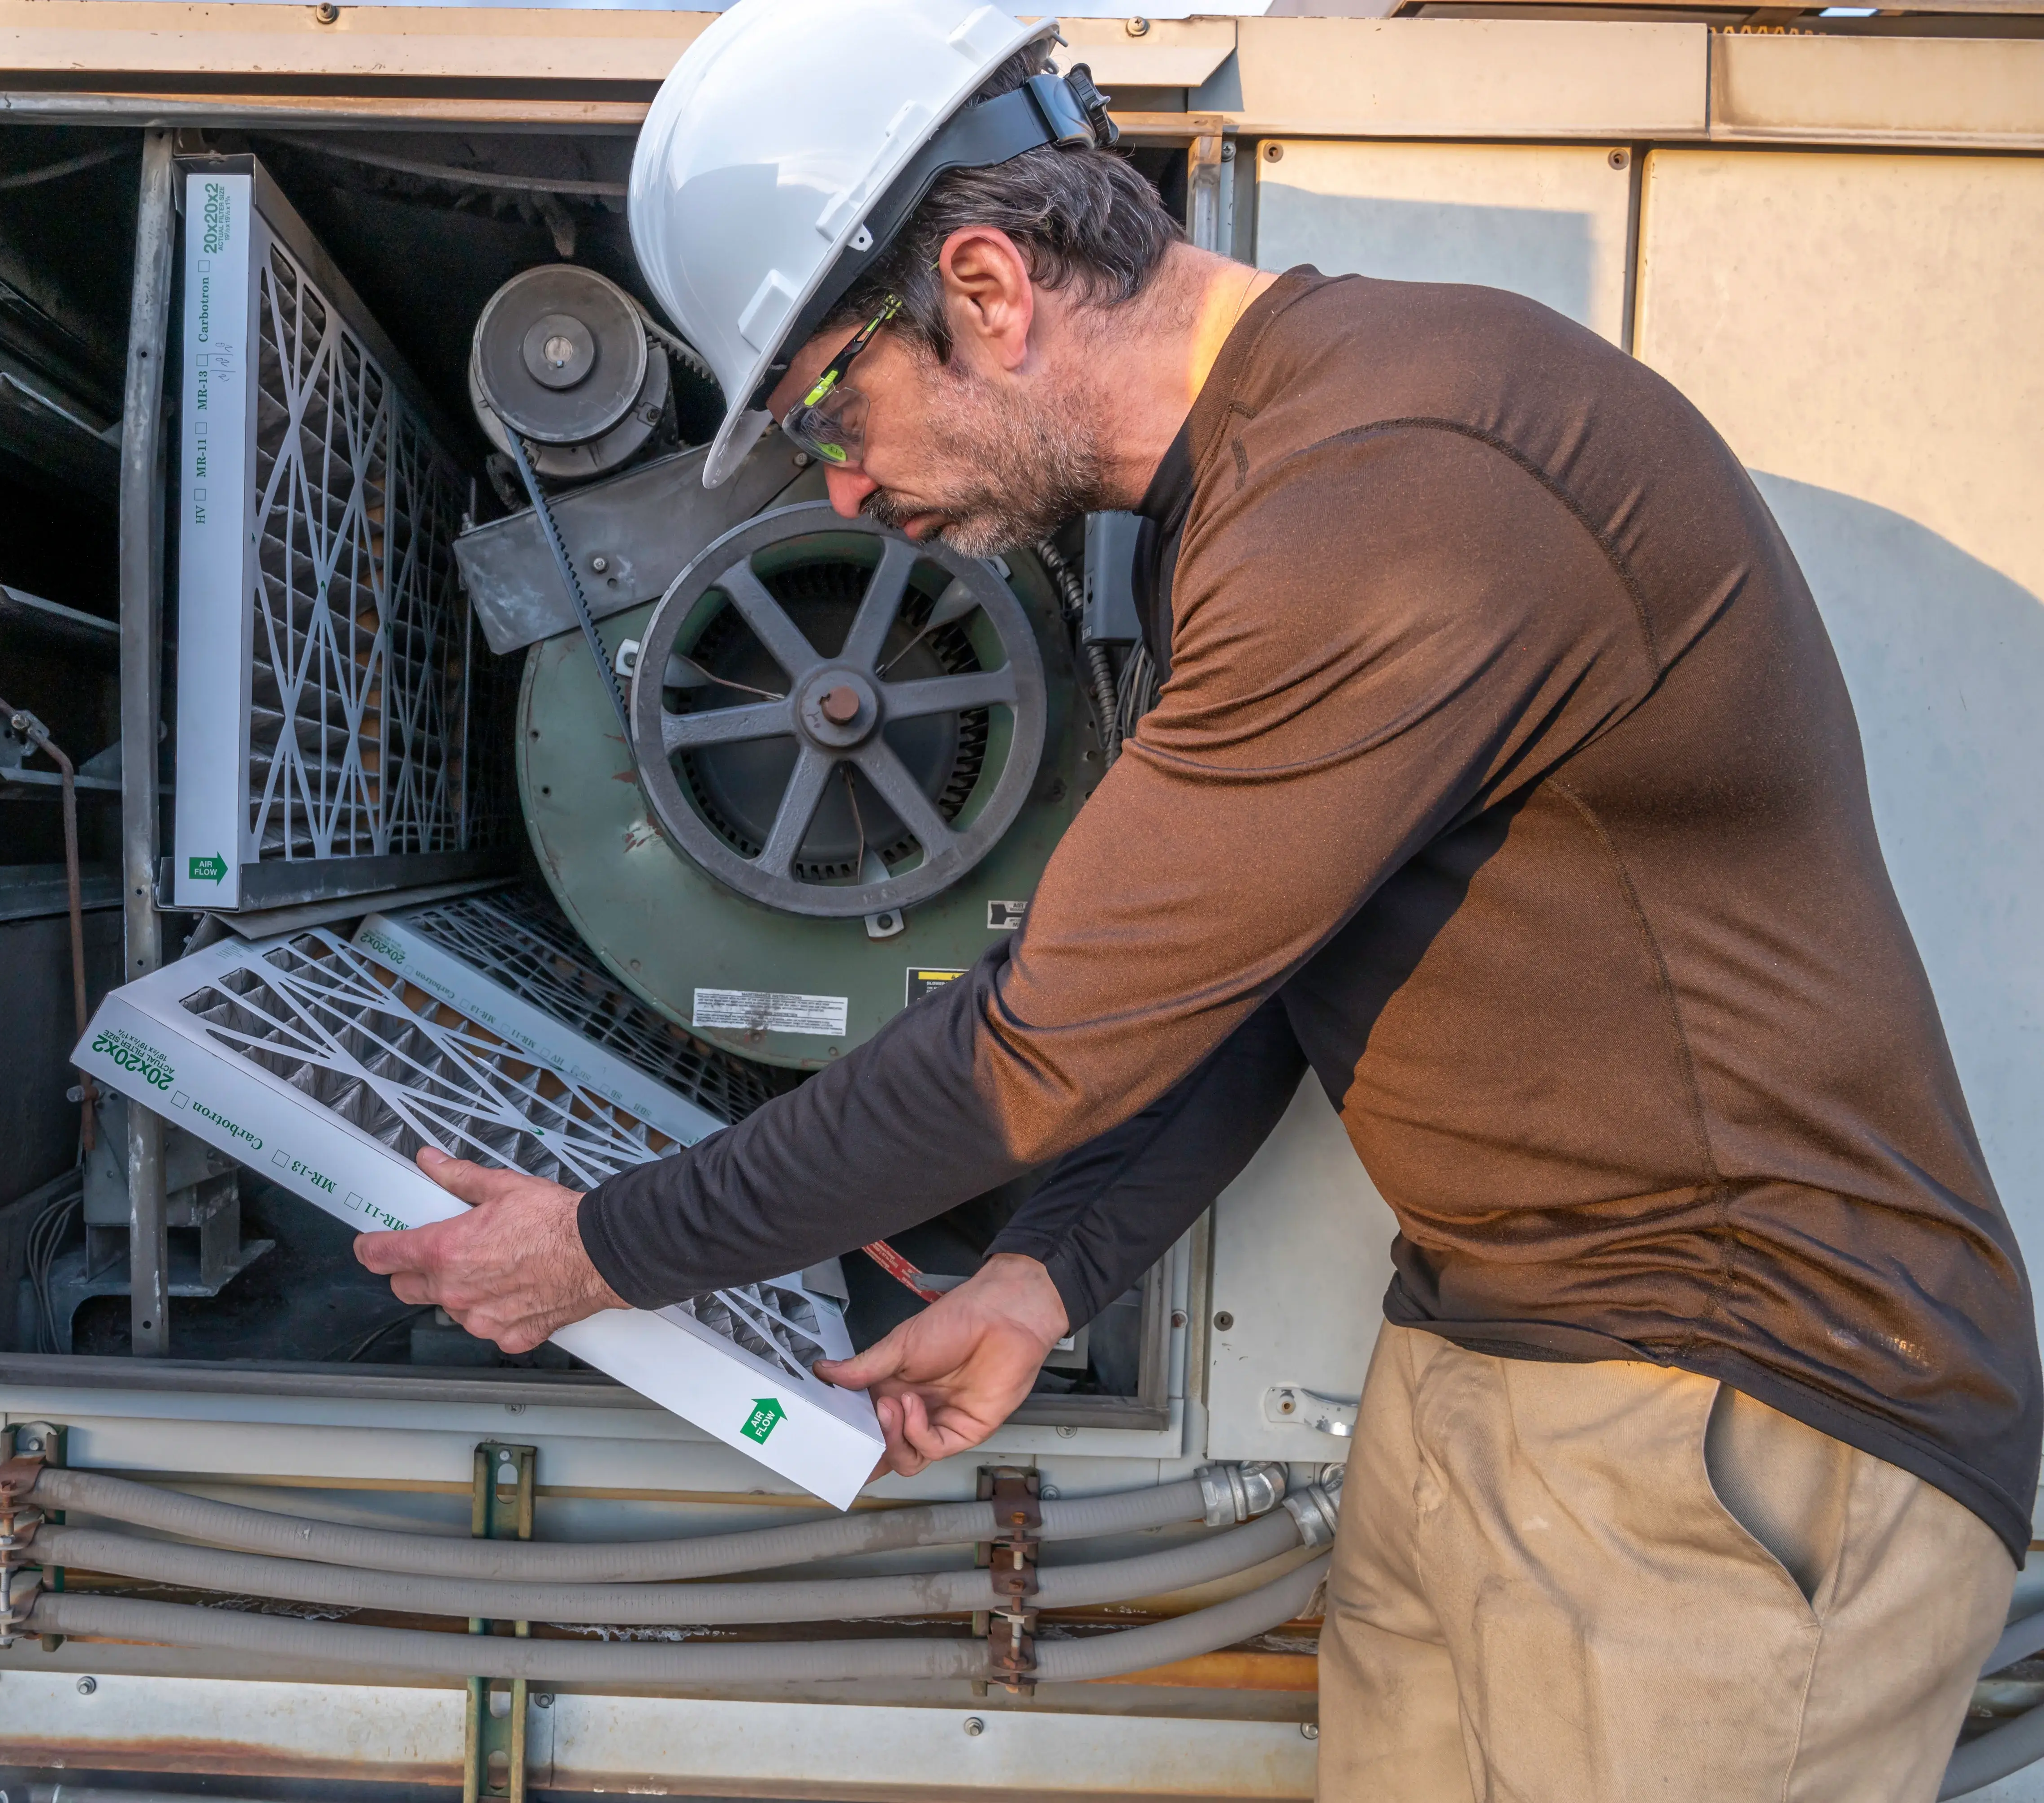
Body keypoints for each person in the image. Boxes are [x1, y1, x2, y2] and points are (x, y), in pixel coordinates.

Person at [355, 0, 2040, 1794]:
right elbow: (1233, 986)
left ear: (989, 286)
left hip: (1733, 1413)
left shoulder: (1386, 489)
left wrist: (599, 1249)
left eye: (831, 402)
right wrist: (1040, 1273)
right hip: (1499, 1353)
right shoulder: (1243, 500)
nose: (838, 484)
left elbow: (1037, 1050)